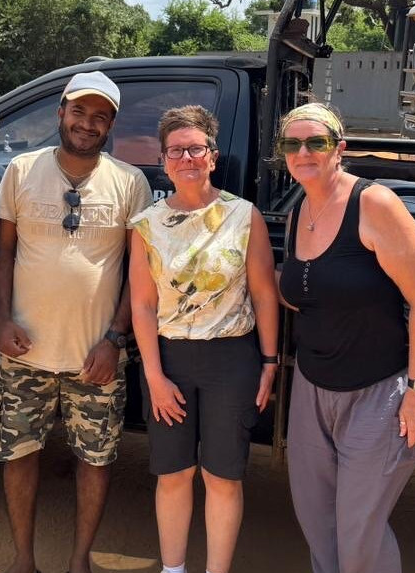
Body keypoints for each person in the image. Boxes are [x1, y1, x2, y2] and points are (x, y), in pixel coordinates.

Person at [0, 71, 153, 573]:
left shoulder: (130, 182)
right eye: (79, 111)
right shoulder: (21, 170)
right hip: (24, 351)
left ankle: (80, 560)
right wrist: (1, 321)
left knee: (96, 460)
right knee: (18, 453)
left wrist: (114, 338)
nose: (87, 123)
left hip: (95, 357)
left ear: (112, 126)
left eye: (99, 116)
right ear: (60, 112)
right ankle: (24, 558)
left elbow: (139, 273)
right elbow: (3, 250)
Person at [277, 102, 415, 573]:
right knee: (317, 524)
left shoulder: (374, 204)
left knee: (357, 536)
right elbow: (306, 292)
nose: (303, 151)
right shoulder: (296, 214)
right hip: (313, 390)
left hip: (378, 394)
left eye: (317, 142)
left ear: (339, 148)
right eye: (292, 143)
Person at [129, 105, 280, 573]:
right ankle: (173, 569)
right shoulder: (146, 224)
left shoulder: (243, 215)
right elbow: (143, 304)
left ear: (212, 156)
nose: (187, 158)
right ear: (164, 160)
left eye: (196, 148)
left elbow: (263, 293)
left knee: (222, 477)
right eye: (177, 151)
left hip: (232, 361)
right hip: (169, 360)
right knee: (173, 475)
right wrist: (153, 375)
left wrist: (270, 362)